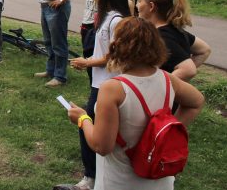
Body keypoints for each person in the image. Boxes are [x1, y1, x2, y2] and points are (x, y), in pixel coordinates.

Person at [67, 17, 204, 190]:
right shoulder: (167, 78)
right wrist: (164, 135)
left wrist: (82, 119)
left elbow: (102, 146)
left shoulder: (113, 88)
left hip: (119, 181)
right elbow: (197, 102)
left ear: (117, 46)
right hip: (160, 180)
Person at [63, 0, 130, 190]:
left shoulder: (117, 20)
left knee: (87, 124)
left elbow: (114, 55)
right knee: (94, 124)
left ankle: (91, 177)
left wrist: (88, 62)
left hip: (108, 84)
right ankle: (96, 172)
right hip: (99, 82)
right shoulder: (107, 17)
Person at [137, 0, 212, 81]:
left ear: (151, 6)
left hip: (166, 96)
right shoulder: (174, 30)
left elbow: (188, 70)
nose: (137, 5)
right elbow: (204, 50)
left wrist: (161, 87)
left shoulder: (162, 37)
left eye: (139, 1)